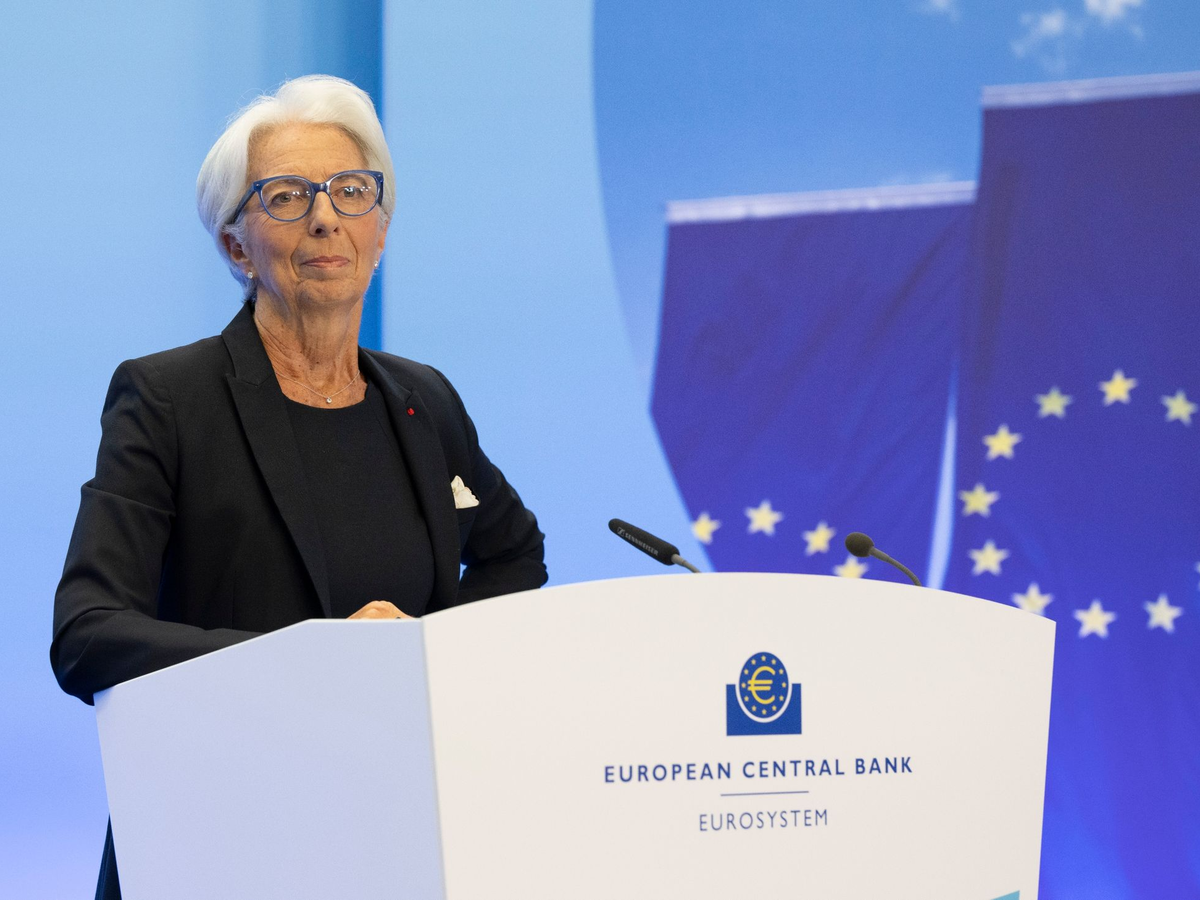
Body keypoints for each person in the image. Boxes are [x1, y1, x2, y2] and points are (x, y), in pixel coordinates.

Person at [50, 75, 546, 900]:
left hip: (397, 834)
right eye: (286, 196)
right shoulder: (169, 400)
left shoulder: (423, 401)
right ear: (236, 247)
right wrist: (317, 663)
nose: (325, 217)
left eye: (352, 191)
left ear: (380, 230)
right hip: (215, 837)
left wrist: (425, 658)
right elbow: (88, 634)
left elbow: (515, 555)